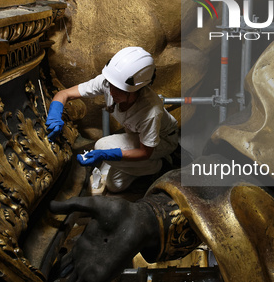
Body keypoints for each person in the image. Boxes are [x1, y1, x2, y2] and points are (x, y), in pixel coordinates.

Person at [46, 46, 179, 193]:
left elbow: (145, 152)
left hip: (162, 140)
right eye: (111, 85)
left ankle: (161, 165)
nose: (112, 92)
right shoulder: (109, 81)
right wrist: (54, 114)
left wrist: (106, 155)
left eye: (120, 89)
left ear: (138, 89)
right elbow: (64, 94)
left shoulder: (150, 110)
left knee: (102, 146)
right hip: (137, 135)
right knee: (114, 185)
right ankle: (139, 168)